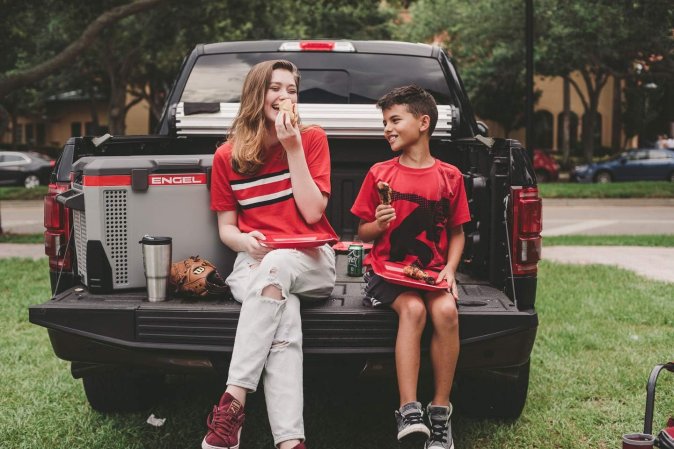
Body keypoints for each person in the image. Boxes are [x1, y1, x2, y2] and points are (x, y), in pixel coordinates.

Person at [205, 59, 337, 449]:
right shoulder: (227, 156)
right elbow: (227, 230)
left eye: (291, 90)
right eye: (275, 88)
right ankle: (290, 441)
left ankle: (232, 403)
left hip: (309, 259)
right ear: (256, 95)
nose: (284, 96)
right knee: (285, 314)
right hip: (255, 262)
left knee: (279, 265)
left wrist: (292, 145)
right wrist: (246, 243)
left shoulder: (311, 138)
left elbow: (313, 211)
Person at [350, 85, 470, 449]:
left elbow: (457, 232)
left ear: (423, 122)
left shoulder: (450, 177)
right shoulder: (380, 172)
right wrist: (380, 223)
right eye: (384, 121)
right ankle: (408, 410)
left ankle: (440, 411)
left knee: (447, 311)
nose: (387, 128)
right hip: (386, 271)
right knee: (414, 310)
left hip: (431, 272)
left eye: (394, 120)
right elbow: (362, 232)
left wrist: (450, 269)